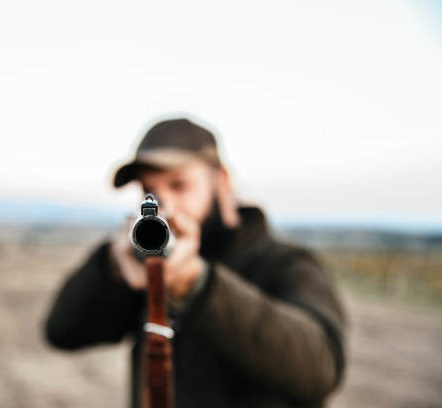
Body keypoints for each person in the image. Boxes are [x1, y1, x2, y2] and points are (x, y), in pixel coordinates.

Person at [45, 117, 346, 407]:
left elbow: (320, 369)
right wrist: (112, 266)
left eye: (178, 185)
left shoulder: (285, 263)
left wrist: (198, 284)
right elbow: (62, 331)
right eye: (149, 191)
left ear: (222, 181)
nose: (166, 205)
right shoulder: (144, 268)